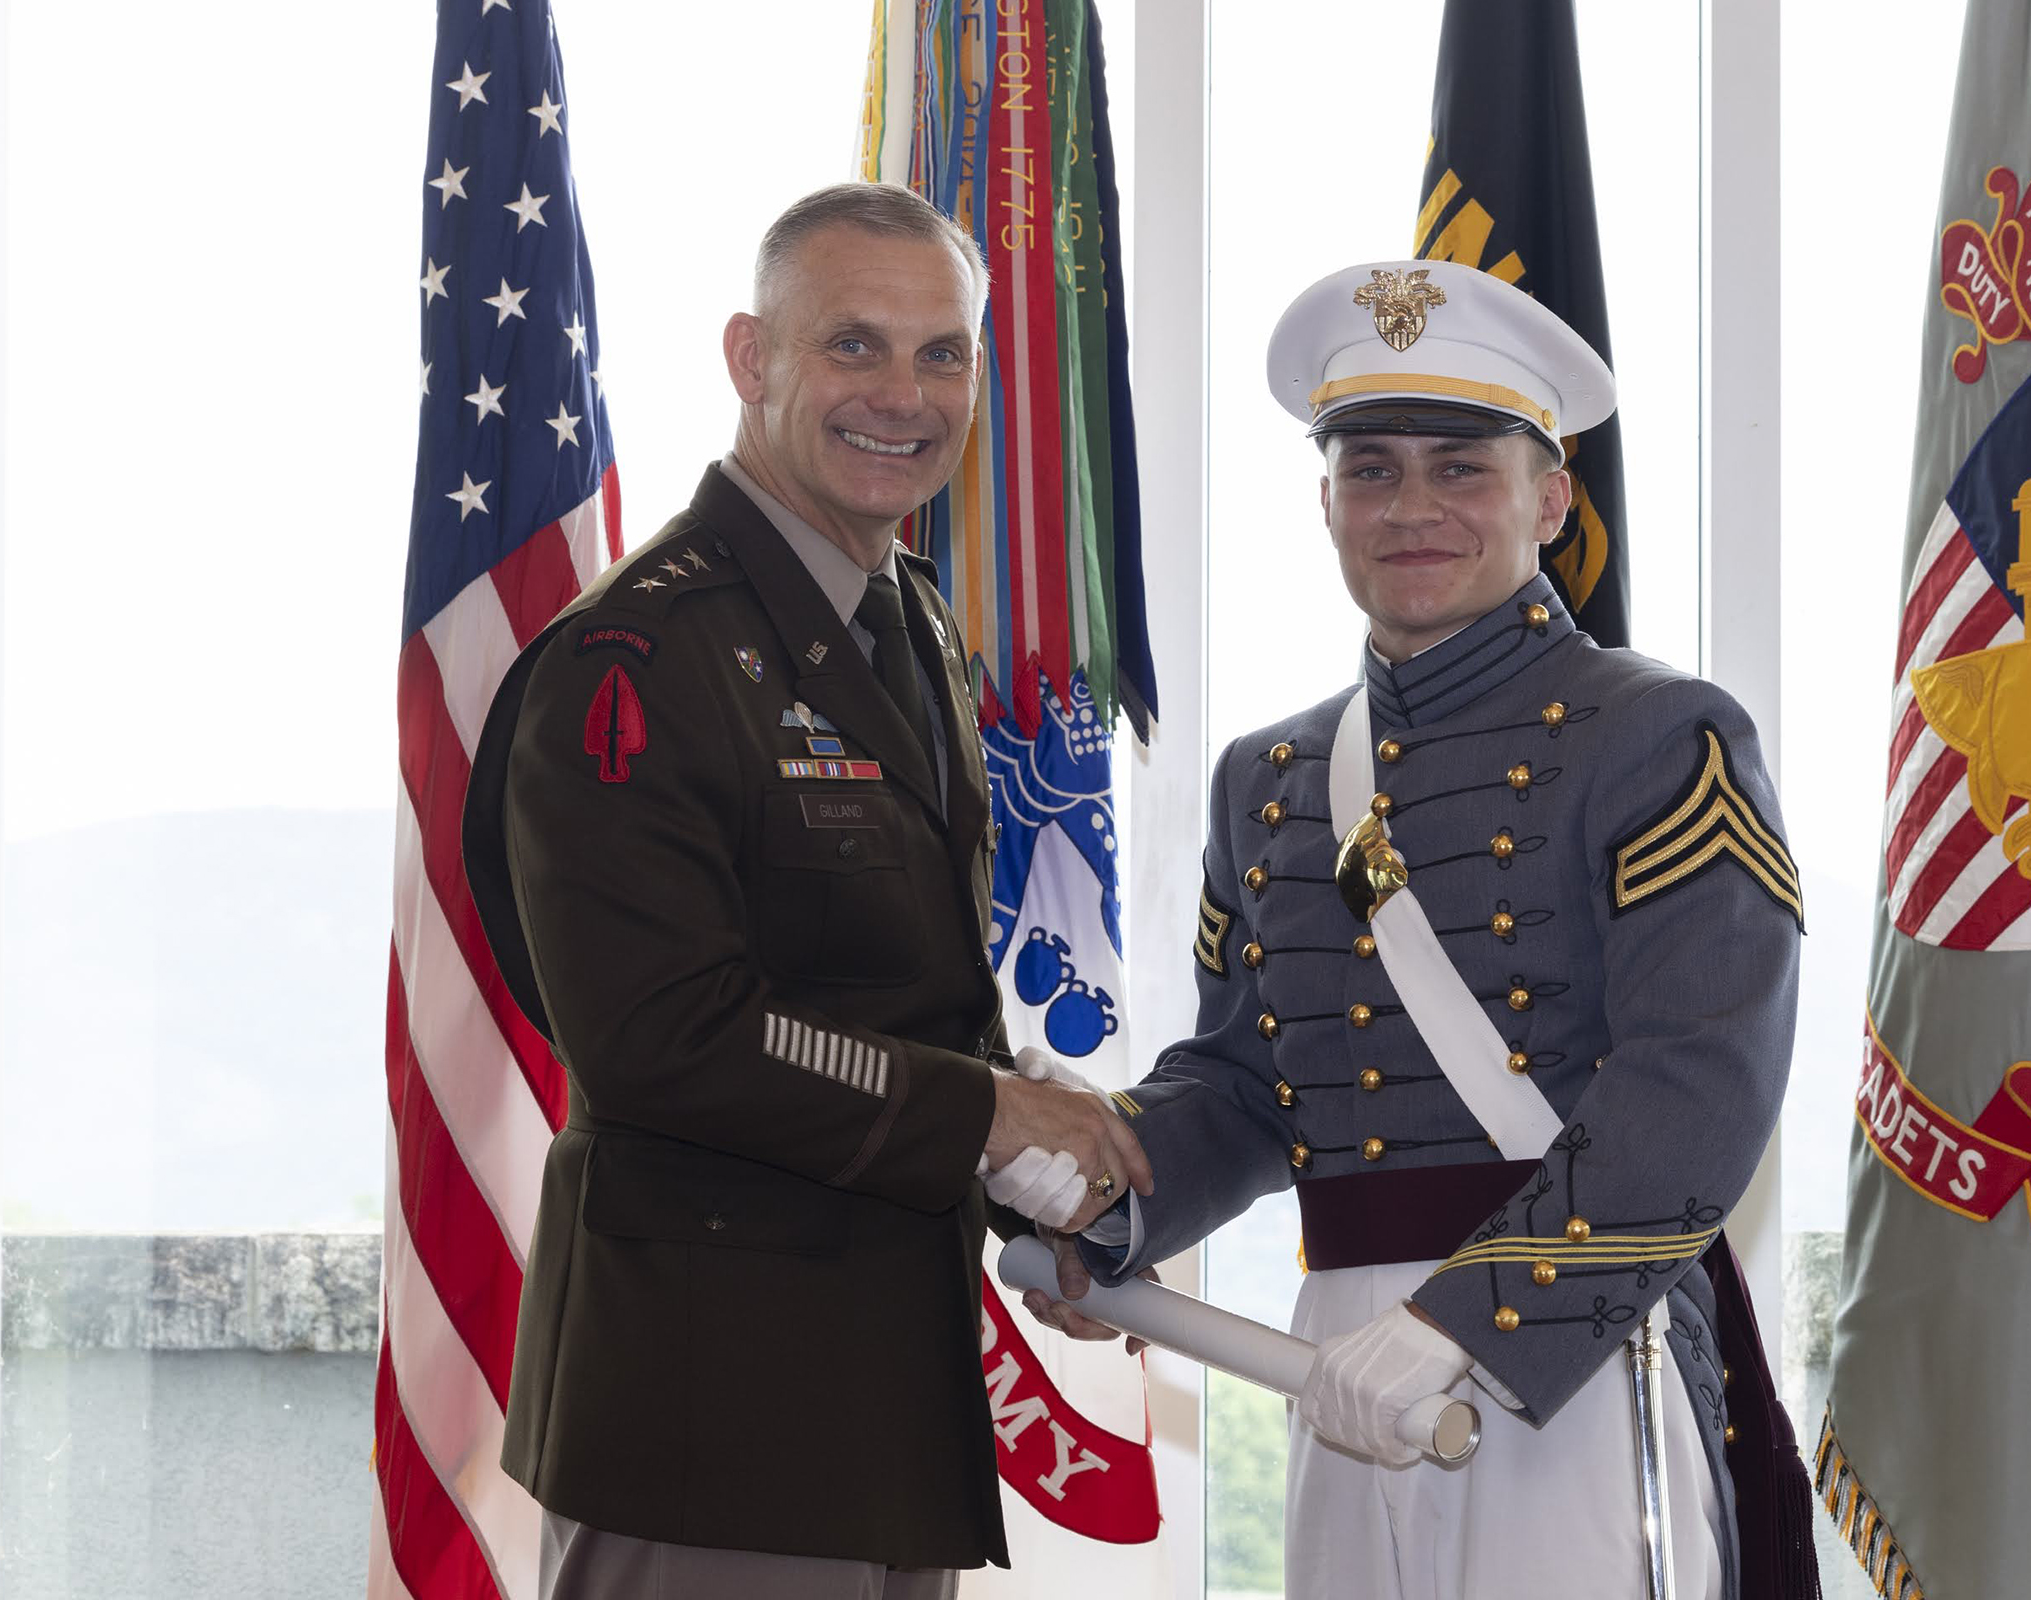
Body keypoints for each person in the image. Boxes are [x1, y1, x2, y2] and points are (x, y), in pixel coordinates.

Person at [1023, 261, 1805, 1598]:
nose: (1412, 508)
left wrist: (1472, 1318)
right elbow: (1245, 1088)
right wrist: (1103, 1195)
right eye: (1371, 469)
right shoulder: (1266, 775)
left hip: (1569, 1347)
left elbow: (1697, 1093)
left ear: (1549, 499)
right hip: (1335, 1357)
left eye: (1462, 467)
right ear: (1325, 501)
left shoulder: (1662, 737)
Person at [460, 182, 1147, 1600]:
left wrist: (1041, 1191)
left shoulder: (911, 627)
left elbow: (909, 1003)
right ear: (751, 359)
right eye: (855, 346)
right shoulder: (639, 660)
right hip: (713, 1415)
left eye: (943, 353)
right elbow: (663, 1040)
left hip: (885, 1402)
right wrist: (992, 1116)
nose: (906, 395)